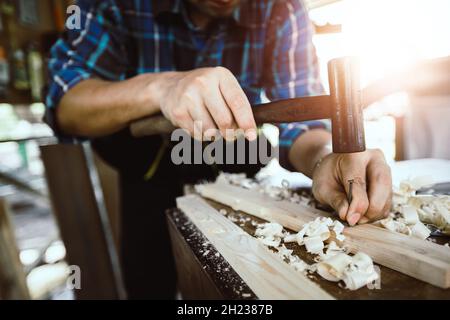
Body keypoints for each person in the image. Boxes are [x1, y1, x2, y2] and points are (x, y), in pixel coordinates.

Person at [45, 0, 392, 299]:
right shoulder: (115, 5)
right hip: (147, 173)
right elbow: (66, 105)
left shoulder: (281, 9)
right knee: (148, 281)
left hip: (234, 173)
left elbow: (301, 125)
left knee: (243, 286)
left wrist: (323, 157)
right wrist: (160, 88)